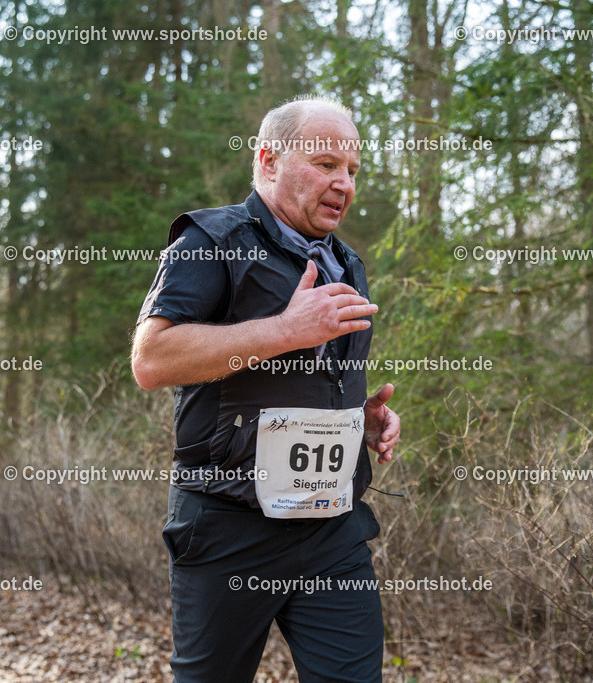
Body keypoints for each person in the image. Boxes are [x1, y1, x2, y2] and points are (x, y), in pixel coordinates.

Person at [131, 96, 400, 682]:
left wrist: (359, 417)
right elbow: (152, 360)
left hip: (332, 525)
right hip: (230, 527)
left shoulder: (346, 263)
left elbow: (305, 382)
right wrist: (284, 330)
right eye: (326, 163)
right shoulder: (211, 240)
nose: (343, 183)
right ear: (269, 160)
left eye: (352, 170)